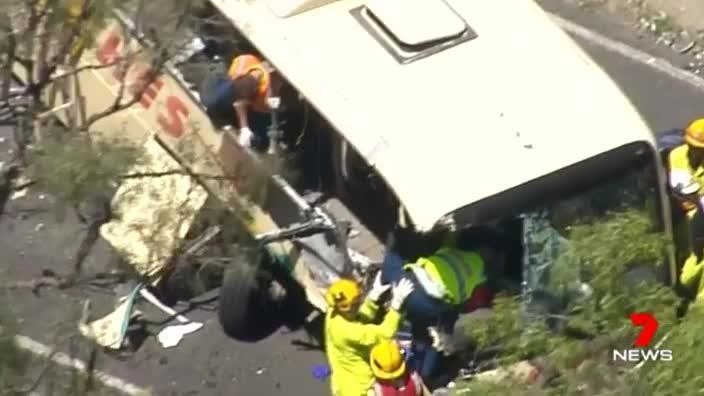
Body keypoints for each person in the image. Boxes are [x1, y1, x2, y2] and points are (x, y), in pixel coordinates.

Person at [380, 225, 492, 382]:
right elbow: (463, 304)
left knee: (391, 261)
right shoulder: (480, 275)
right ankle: (424, 374)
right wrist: (446, 328)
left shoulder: (453, 251)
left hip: (410, 286)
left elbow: (449, 240)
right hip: (431, 305)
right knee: (432, 335)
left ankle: (379, 290)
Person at [325, 274, 415, 396]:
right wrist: (396, 305)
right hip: (360, 388)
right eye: (357, 302)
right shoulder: (351, 333)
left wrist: (373, 298)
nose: (360, 302)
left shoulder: (333, 314)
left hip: (342, 382)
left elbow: (358, 317)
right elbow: (385, 333)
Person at [203, 53, 281, 149]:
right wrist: (244, 127)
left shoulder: (264, 99)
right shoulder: (241, 63)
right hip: (230, 83)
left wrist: (244, 126)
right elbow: (239, 102)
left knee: (262, 136)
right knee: (212, 100)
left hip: (260, 108)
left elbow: (243, 103)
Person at [668, 118, 704, 304]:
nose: (694, 149)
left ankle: (690, 299)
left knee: (694, 263)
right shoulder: (676, 155)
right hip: (678, 213)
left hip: (699, 220)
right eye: (691, 145)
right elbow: (677, 187)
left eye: (699, 147)